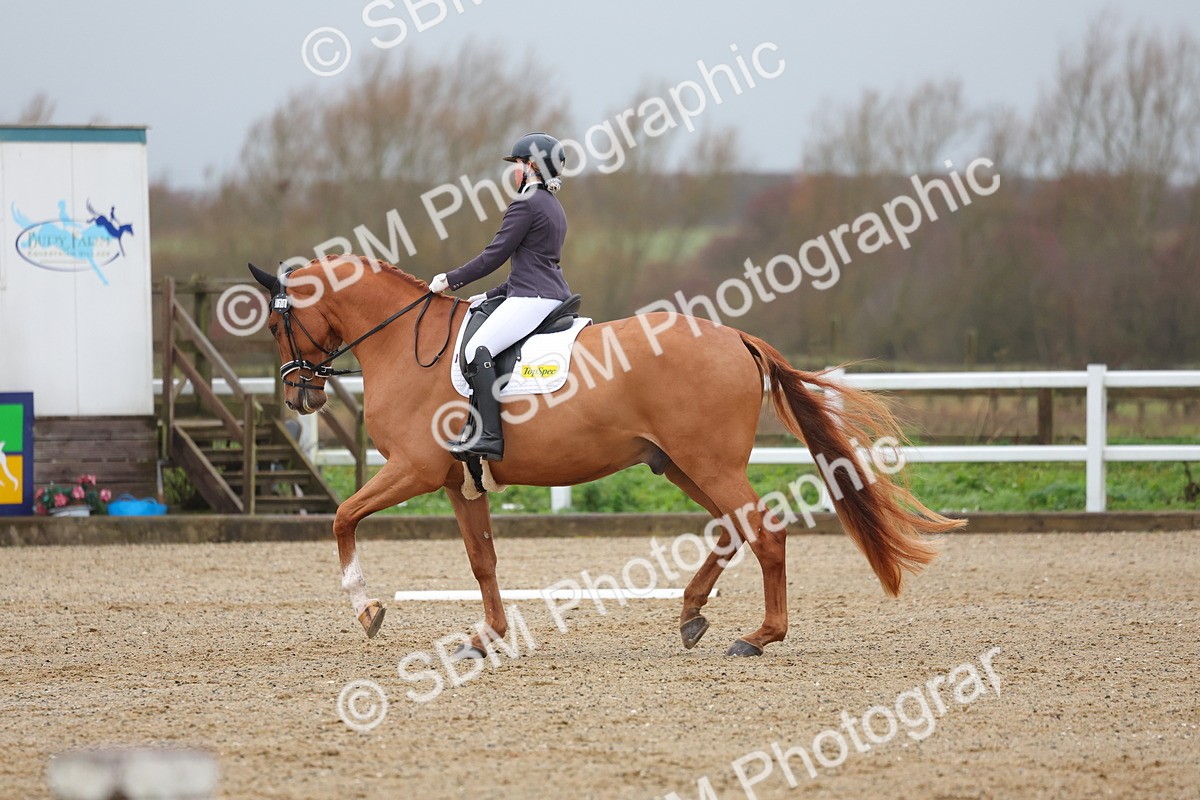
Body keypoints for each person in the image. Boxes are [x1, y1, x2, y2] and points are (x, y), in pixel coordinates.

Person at [428, 132, 572, 462]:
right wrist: (492, 294)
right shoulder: (552, 205)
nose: (514, 170)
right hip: (545, 293)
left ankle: (489, 436)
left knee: (478, 349)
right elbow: (534, 262)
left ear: (533, 166)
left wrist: (451, 280)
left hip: (533, 298)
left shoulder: (526, 203)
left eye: (518, 163)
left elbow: (494, 255)